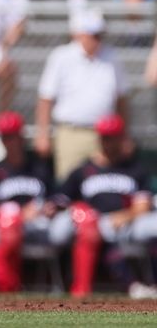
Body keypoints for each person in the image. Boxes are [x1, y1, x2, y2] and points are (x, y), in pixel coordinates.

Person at [49, 114, 157, 299]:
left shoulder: (134, 169)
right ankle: (132, 286)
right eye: (105, 136)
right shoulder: (83, 170)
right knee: (91, 226)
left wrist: (125, 216)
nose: (108, 141)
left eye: (113, 136)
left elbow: (144, 205)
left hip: (129, 223)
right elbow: (60, 202)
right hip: (93, 223)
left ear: (121, 138)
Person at [35, 8, 129, 180]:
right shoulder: (61, 57)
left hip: (105, 135)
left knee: (103, 187)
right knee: (69, 185)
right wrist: (43, 134)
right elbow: (46, 98)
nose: (97, 40)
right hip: (71, 132)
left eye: (99, 35)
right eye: (94, 35)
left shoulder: (112, 57)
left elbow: (121, 99)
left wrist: (124, 136)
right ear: (80, 35)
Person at [0, 111, 55, 288]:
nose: (9, 142)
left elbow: (55, 198)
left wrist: (46, 209)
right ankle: (9, 285)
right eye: (5, 137)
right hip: (7, 228)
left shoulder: (40, 167)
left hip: (41, 225)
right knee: (9, 219)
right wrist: (20, 214)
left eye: (12, 136)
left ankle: (69, 285)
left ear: (21, 137)